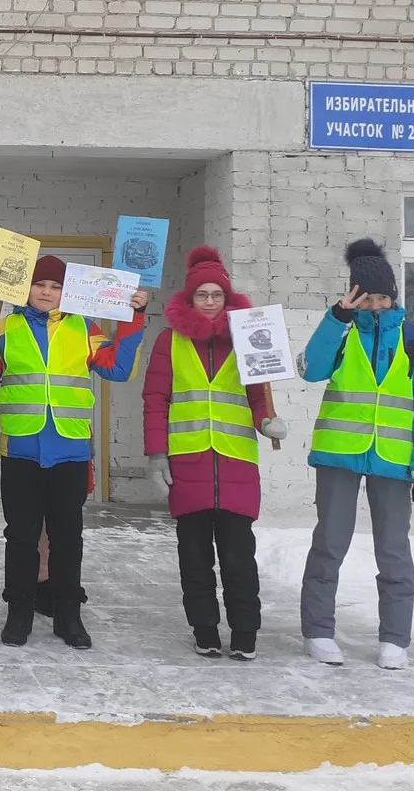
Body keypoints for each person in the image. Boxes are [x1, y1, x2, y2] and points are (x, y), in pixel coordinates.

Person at [0, 254, 147, 650]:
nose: (47, 292)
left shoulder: (86, 327)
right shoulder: (6, 327)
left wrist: (134, 319)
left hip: (69, 451)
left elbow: (117, 369)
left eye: (55, 287)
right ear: (25, 289)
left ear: (67, 292)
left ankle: (69, 616)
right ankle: (18, 613)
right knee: (21, 537)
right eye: (40, 285)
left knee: (68, 537)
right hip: (21, 450)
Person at [299, 239, 414, 671]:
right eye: (368, 297)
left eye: (383, 297)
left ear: (394, 297)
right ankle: (319, 633)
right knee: (329, 545)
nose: (376, 305)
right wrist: (336, 316)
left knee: (394, 552)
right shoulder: (341, 332)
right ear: (355, 296)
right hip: (339, 457)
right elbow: (310, 369)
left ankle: (395, 639)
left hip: (394, 463)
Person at [141, 246, 287, 661]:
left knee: (240, 558)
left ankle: (245, 632)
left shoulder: (248, 337)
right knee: (194, 557)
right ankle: (204, 629)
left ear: (227, 299)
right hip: (187, 464)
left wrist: (267, 422)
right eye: (201, 295)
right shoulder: (170, 341)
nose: (209, 302)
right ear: (190, 300)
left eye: (216, 295)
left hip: (236, 462)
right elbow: (156, 399)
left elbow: (259, 394)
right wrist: (156, 454)